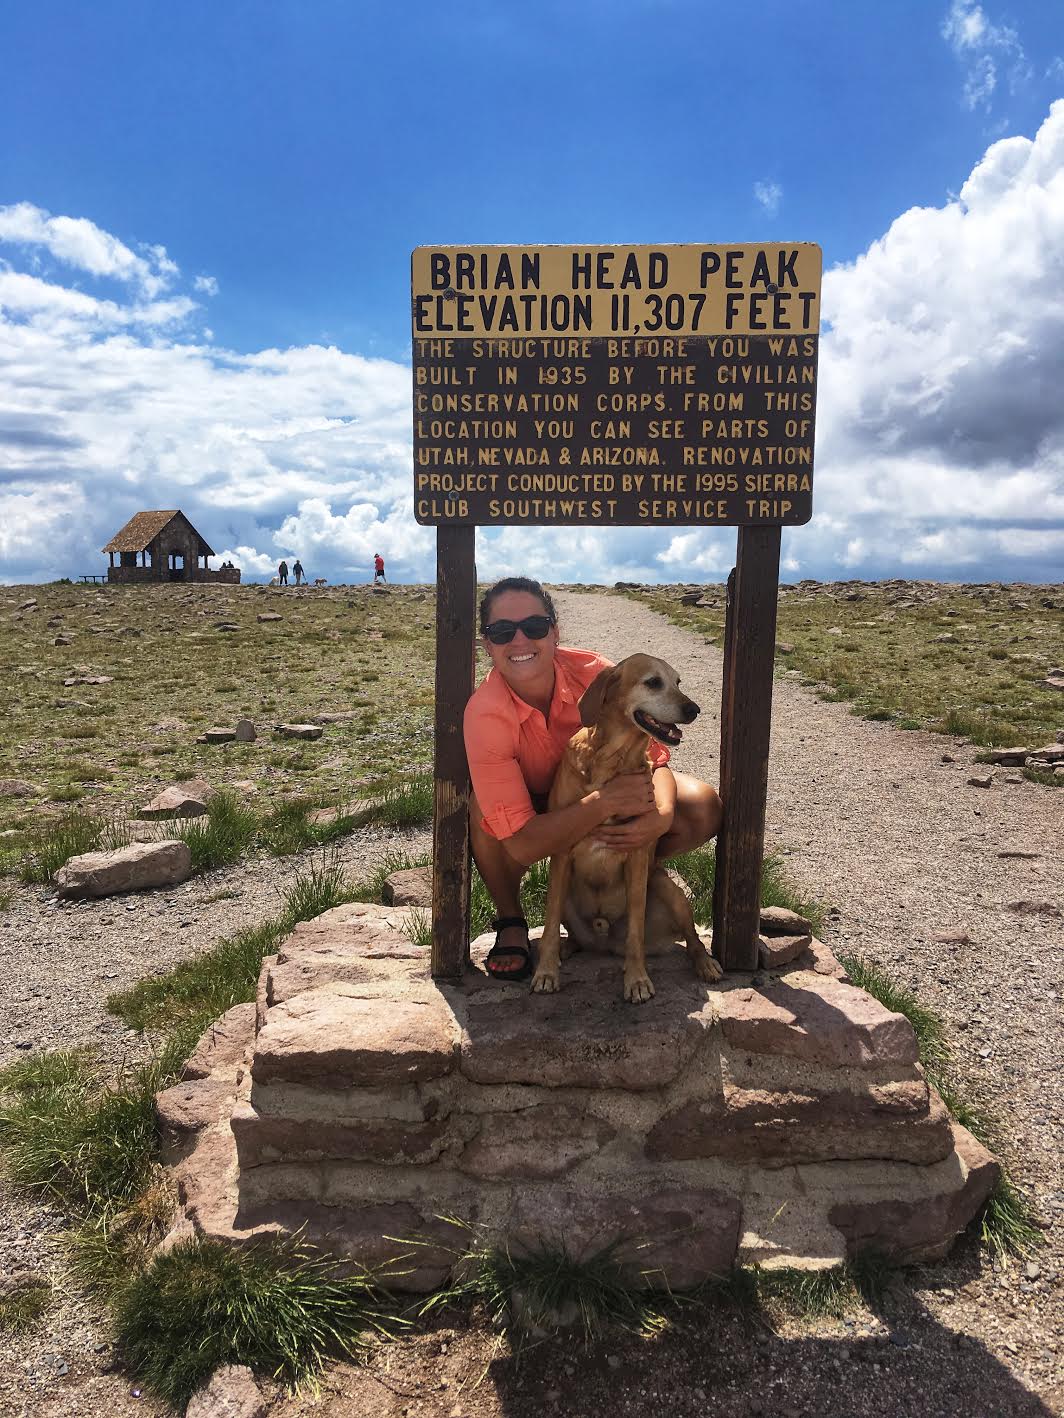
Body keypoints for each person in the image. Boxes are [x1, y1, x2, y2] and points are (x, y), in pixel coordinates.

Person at [463, 575, 723, 980]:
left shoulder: (596, 673)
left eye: (534, 627)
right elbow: (522, 844)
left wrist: (660, 817)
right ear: (486, 644)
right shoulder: (485, 713)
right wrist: (604, 804)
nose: (520, 641)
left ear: (554, 632)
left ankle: (615, 875)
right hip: (536, 806)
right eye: (501, 631)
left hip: (608, 783)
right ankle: (512, 921)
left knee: (702, 804)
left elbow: (656, 758)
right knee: (485, 811)